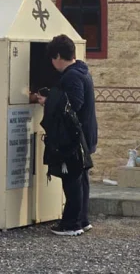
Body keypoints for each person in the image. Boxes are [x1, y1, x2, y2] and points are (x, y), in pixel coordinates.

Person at [35, 35, 97, 236]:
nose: (52, 64)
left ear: (58, 56)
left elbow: (73, 104)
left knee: (72, 181)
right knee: (81, 179)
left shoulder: (71, 76)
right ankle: (82, 220)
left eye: (52, 58)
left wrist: (48, 101)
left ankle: (71, 224)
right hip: (86, 135)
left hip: (74, 139)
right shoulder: (82, 71)